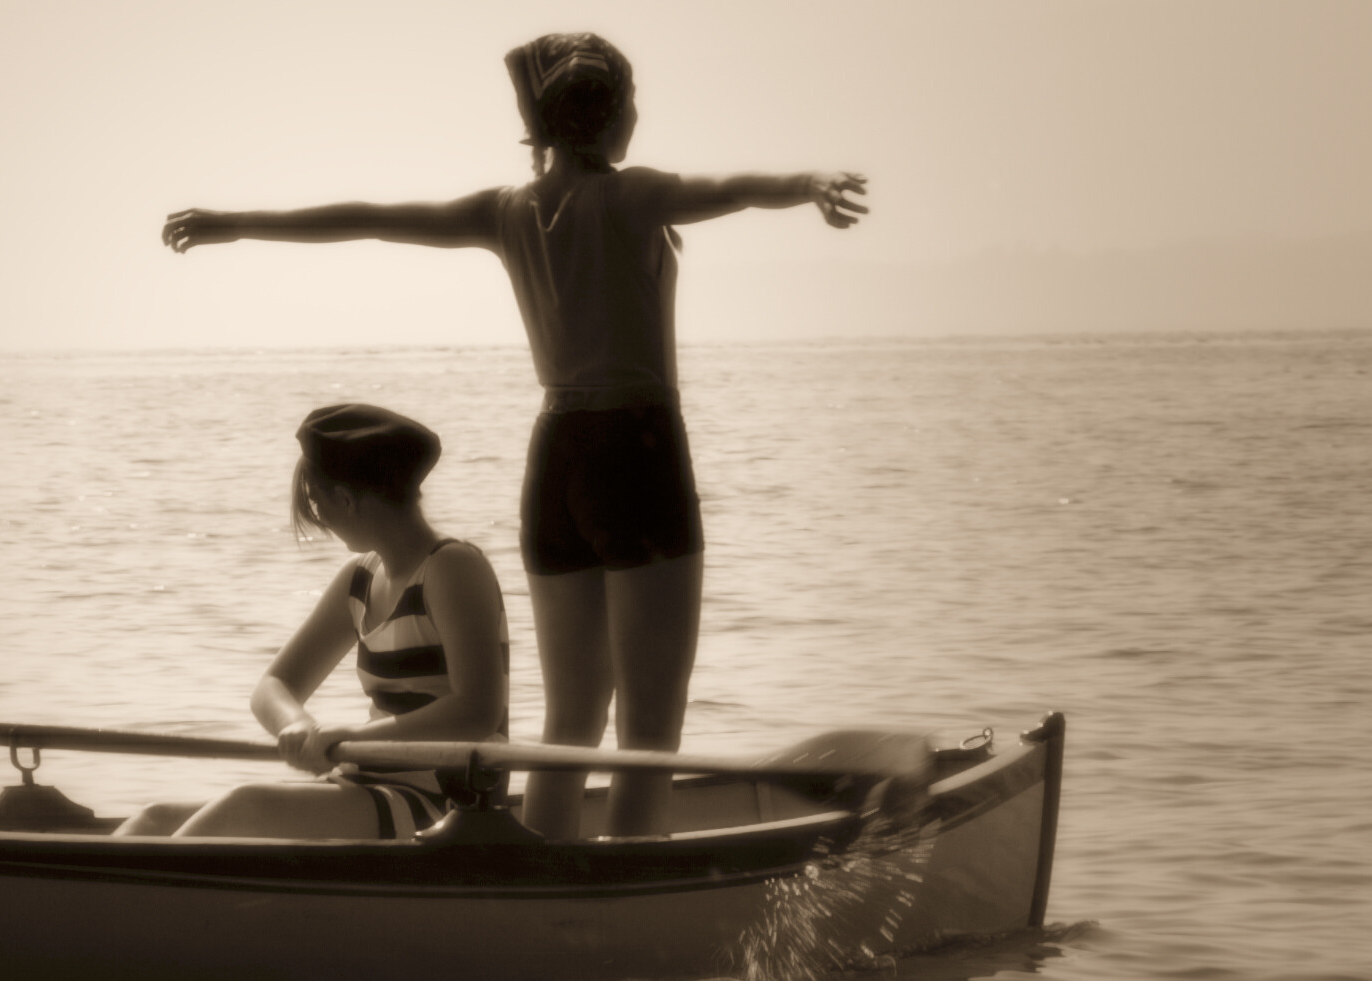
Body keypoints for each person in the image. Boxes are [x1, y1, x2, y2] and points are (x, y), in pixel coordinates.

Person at [158, 32, 869, 839]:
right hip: (636, 452)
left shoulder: (507, 211)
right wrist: (811, 183)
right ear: (610, 115)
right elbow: (733, 189)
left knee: (569, 721)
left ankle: (546, 865)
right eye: (633, 102)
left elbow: (370, 218)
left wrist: (232, 223)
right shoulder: (632, 197)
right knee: (649, 727)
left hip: (555, 460)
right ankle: (628, 877)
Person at [115, 404, 509, 840]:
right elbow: (273, 685)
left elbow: (477, 710)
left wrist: (354, 736)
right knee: (153, 818)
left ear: (345, 499)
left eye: (317, 505)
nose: (319, 519)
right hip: (367, 784)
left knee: (247, 805)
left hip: (446, 806)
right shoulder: (360, 579)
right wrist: (299, 726)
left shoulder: (452, 567)